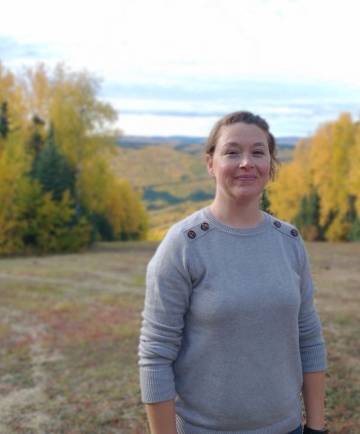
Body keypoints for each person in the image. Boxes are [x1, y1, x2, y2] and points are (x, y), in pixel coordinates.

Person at [138, 111, 327, 434]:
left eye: (257, 152)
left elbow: (308, 338)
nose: (246, 163)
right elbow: (155, 355)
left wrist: (316, 428)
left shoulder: (289, 241)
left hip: (288, 428)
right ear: (210, 163)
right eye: (232, 151)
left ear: (271, 165)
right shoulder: (184, 244)